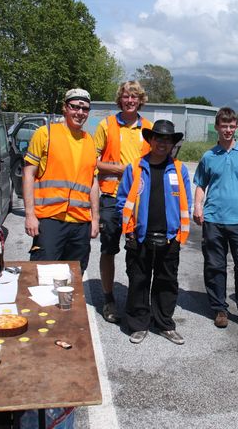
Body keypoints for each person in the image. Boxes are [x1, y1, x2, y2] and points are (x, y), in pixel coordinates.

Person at [116, 120, 192, 345]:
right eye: (158, 138)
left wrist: (179, 236)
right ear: (150, 140)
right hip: (139, 237)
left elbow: (185, 203)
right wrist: (129, 232)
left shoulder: (179, 169)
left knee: (166, 281)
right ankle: (139, 324)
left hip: (169, 237)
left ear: (172, 143)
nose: (162, 142)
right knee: (139, 280)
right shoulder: (135, 167)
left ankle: (164, 324)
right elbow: (123, 201)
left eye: (167, 139)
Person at [193, 107, 238, 333]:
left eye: (232, 126)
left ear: (236, 127)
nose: (228, 130)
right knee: (215, 266)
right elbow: (200, 185)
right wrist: (197, 206)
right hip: (213, 220)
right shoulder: (208, 156)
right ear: (217, 127)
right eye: (224, 126)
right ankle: (219, 309)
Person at [94, 81, 153, 323]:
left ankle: (136, 299)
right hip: (111, 197)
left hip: (138, 201)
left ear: (140, 100)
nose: (130, 100)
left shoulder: (148, 128)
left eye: (134, 97)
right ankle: (108, 298)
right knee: (108, 249)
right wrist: (117, 169)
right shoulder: (106, 125)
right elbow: (92, 161)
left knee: (139, 251)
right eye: (126, 96)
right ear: (120, 99)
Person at [23, 88, 100, 272]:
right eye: (74, 107)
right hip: (50, 220)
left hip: (80, 222)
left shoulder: (90, 141)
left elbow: (93, 182)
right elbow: (28, 174)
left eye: (85, 109)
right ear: (65, 108)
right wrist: (29, 215)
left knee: (74, 277)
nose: (80, 113)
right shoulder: (45, 133)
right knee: (43, 275)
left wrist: (95, 219)